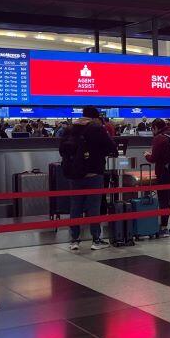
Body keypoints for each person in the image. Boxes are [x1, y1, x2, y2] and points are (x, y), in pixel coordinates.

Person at [59, 106, 116, 251]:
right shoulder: (96, 128)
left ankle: (74, 240)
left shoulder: (70, 129)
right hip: (93, 174)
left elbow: (62, 150)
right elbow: (111, 148)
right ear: (95, 117)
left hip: (74, 174)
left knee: (75, 206)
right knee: (93, 207)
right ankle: (96, 239)